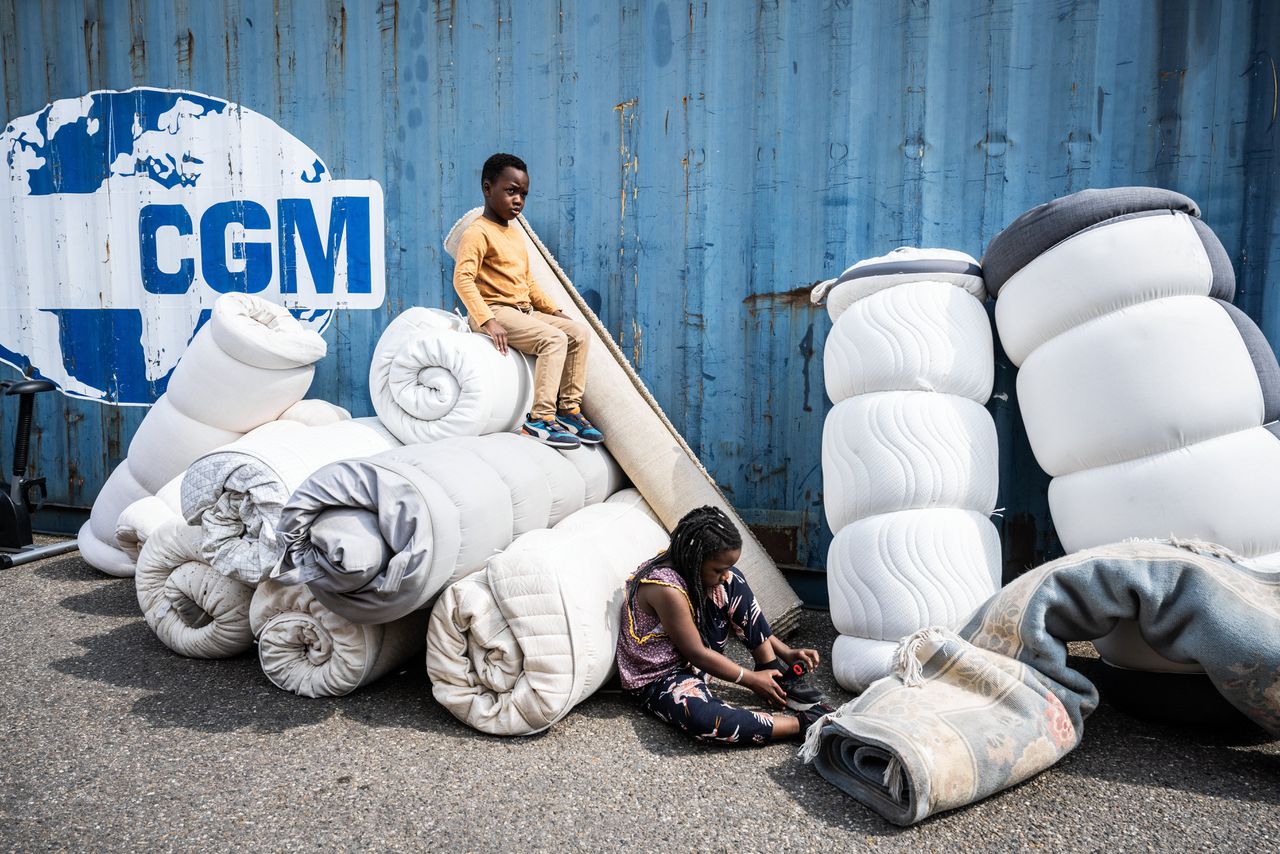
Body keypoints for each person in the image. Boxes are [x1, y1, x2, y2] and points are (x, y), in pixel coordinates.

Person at [616, 505, 835, 746]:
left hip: (697, 658)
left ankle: (772, 670)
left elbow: (733, 611)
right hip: (662, 677)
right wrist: (750, 679)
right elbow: (697, 653)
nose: (724, 574)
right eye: (719, 569)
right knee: (704, 720)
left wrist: (785, 651)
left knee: (733, 582)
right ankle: (805, 723)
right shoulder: (665, 589)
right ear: (694, 559)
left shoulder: (696, 571)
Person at [452, 152, 604, 450]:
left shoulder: (514, 234)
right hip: (495, 310)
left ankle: (569, 410)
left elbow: (528, 282)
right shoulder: (478, 232)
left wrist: (555, 310)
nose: (518, 200)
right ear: (487, 188)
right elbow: (463, 278)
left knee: (578, 333)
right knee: (554, 339)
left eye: (523, 194)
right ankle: (539, 420)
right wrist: (487, 320)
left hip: (524, 311)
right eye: (511, 191)